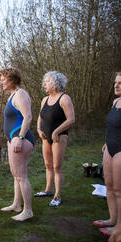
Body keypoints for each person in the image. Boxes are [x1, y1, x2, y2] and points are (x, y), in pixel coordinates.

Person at [0, 67, 35, 221]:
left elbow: (28, 117)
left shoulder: (21, 94)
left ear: (12, 80)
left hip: (21, 137)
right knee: (16, 175)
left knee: (21, 176)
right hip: (13, 137)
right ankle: (16, 204)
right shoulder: (12, 95)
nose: (1, 82)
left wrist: (20, 138)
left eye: (3, 79)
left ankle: (28, 211)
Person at [34, 71, 75, 207]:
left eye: (47, 82)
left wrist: (57, 131)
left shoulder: (64, 99)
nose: (44, 84)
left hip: (59, 137)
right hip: (46, 137)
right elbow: (40, 117)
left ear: (55, 83)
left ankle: (57, 195)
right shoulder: (44, 100)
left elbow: (71, 119)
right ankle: (47, 190)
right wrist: (39, 129)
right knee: (48, 165)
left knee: (57, 166)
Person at [94, 72, 121, 239]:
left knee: (119, 190)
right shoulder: (115, 102)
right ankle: (112, 219)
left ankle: (119, 228)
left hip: (120, 150)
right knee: (109, 187)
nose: (116, 85)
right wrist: (106, 142)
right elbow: (111, 126)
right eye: (115, 82)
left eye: (120, 83)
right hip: (109, 148)